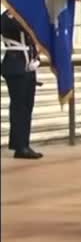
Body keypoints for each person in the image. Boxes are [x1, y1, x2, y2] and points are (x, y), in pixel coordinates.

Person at [1, 10, 42, 159]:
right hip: (17, 64)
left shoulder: (19, 15)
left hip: (25, 64)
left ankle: (22, 143)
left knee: (26, 106)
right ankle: (21, 146)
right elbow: (25, 28)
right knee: (20, 107)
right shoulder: (9, 17)